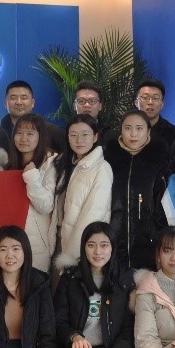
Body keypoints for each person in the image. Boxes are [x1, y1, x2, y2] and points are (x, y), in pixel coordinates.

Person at [54, 222, 135, 348]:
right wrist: (74, 336)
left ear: (112, 247)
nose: (98, 252)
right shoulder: (71, 277)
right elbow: (58, 320)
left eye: (104, 245)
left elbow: (128, 329)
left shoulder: (125, 279)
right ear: (84, 247)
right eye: (91, 245)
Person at [105, 110, 171, 269]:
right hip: (112, 241)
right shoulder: (108, 160)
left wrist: (158, 237)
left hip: (148, 244)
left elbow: (164, 208)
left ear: (148, 131)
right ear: (121, 130)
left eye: (139, 128)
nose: (133, 134)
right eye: (127, 128)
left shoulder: (159, 161)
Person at [52, 115, 113, 271]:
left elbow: (92, 215)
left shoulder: (102, 168)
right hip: (61, 238)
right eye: (73, 135)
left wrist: (72, 257)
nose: (79, 140)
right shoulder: (66, 164)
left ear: (95, 137)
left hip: (82, 247)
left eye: (85, 135)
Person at [11, 112, 58, 271]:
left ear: (40, 136)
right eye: (19, 133)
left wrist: (31, 176)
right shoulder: (8, 165)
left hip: (37, 243)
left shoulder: (50, 164)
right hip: (11, 241)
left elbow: (45, 206)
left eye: (30, 133)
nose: (23, 138)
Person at [0, 80, 61, 154]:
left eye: (24, 98)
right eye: (13, 98)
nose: (19, 102)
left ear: (32, 103)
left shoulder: (51, 131)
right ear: (5, 103)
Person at [134, 79, 175, 149]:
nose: (150, 102)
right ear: (136, 103)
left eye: (155, 98)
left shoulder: (173, 134)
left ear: (162, 104)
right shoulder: (127, 131)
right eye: (145, 97)